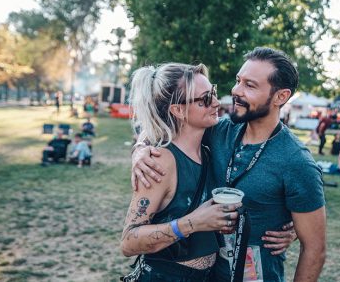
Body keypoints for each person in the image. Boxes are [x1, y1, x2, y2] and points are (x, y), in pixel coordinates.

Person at [132, 47, 326, 282]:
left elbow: (315, 250)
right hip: (206, 275)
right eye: (238, 81)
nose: (236, 91)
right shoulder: (218, 131)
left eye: (250, 85)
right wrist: (140, 150)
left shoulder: (297, 162)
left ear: (280, 97)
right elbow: (167, 127)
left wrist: (296, 228)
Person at [121, 63, 242, 282]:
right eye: (204, 99)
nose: (216, 102)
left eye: (213, 92)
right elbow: (129, 242)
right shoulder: (160, 161)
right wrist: (193, 222)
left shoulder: (208, 151)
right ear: (177, 110)